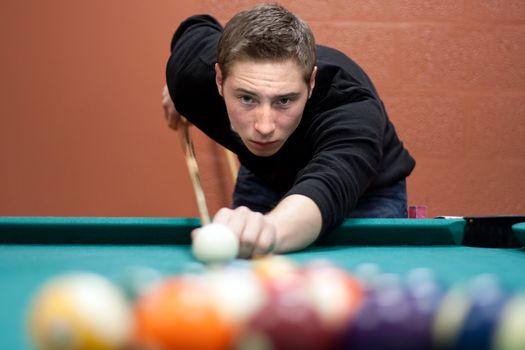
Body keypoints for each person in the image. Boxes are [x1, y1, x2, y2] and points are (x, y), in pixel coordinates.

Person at [162, 3, 415, 258]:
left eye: (284, 101)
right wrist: (180, 92)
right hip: (265, 175)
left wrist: (268, 231)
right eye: (247, 98)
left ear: (311, 83)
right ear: (218, 79)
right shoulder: (190, 76)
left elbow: (326, 187)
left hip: (364, 194)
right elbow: (196, 26)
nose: (264, 126)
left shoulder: (350, 104)